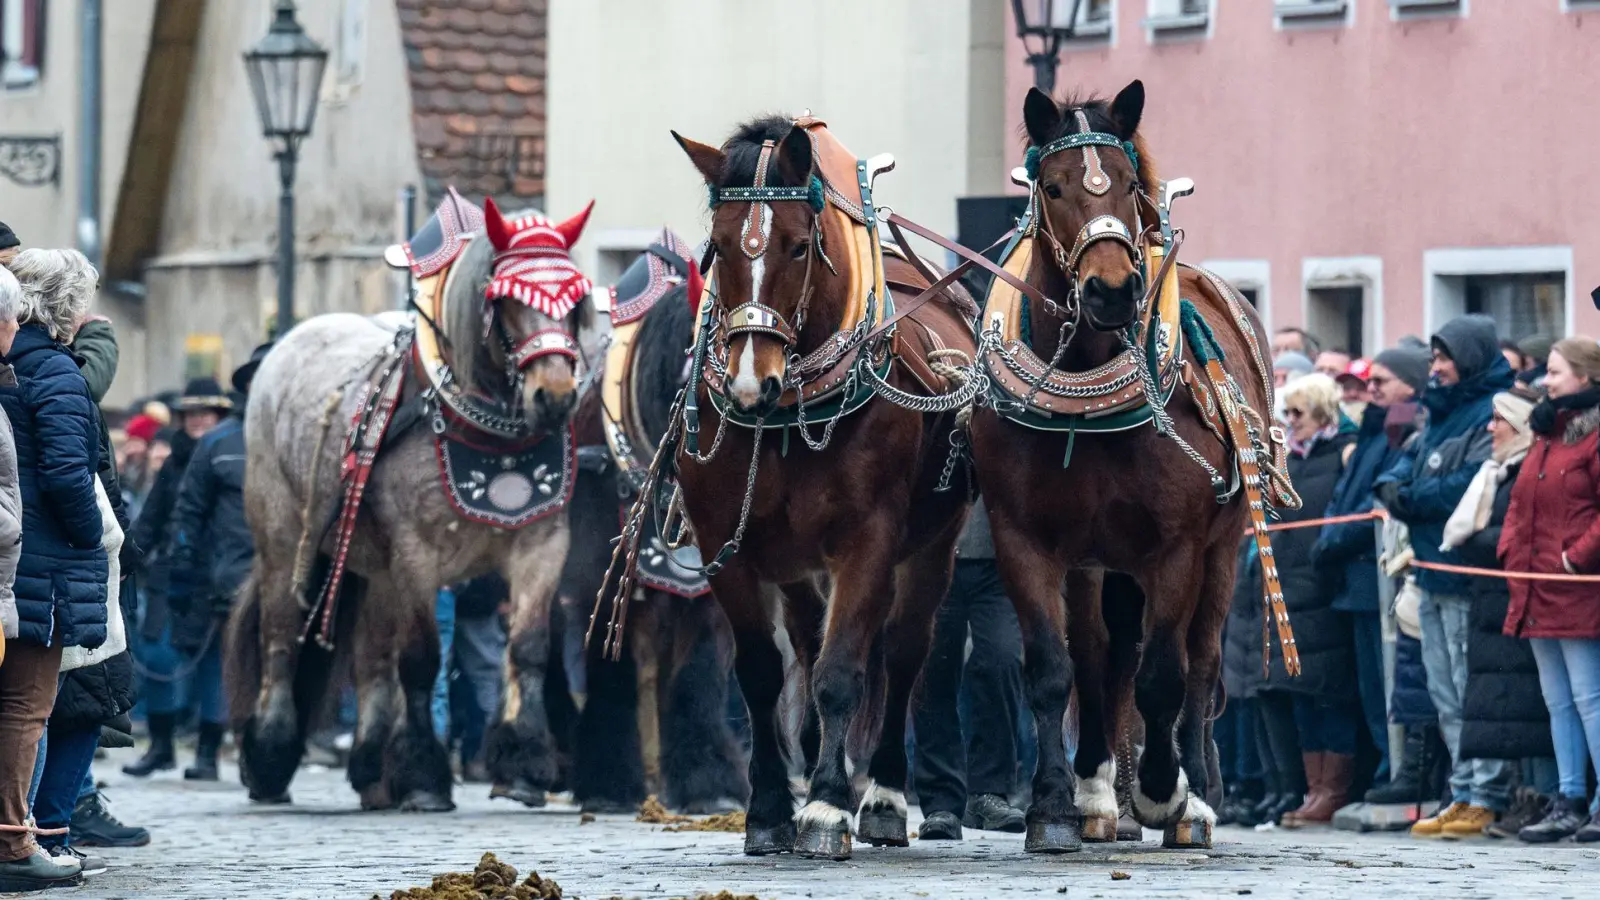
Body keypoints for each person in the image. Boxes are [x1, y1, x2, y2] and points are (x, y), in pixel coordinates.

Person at [1377, 314, 1517, 839]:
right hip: (1430, 572)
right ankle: (1463, 789)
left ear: (1469, 357)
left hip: (1465, 574)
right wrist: (1398, 490)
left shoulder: (1493, 407)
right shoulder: (1438, 411)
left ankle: (1487, 791)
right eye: (1432, 358)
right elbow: (1400, 466)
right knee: (1443, 692)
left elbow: (1470, 482)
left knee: (1468, 686)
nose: (1435, 368)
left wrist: (1410, 499)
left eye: (1443, 358)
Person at [0, 253, 105, 890]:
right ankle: (14, 842)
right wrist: (92, 539)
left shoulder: (18, 365)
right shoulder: (55, 371)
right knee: (27, 704)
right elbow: (69, 477)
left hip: (20, 556)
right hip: (43, 563)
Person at [1311, 347, 1427, 799]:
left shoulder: (1401, 430)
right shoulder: (1373, 430)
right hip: (1353, 582)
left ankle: (1394, 772)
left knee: (1386, 684)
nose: (1371, 388)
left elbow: (1375, 505)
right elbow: (1345, 495)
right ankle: (1380, 769)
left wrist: (1332, 541)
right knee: (1366, 687)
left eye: (1383, 380)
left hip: (1373, 578)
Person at [1440, 387, 1555, 839]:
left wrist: (1478, 543)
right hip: (1493, 599)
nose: (1491, 428)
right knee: (1511, 705)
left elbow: (1524, 532)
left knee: (1535, 705)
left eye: (1499, 419)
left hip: (1524, 597)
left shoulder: (1526, 468)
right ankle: (1526, 795)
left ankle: (1544, 795)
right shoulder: (1498, 471)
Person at [1502, 337, 1600, 843]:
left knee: (1590, 697)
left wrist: (1575, 558)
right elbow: (1521, 503)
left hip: (1576, 585)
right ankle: (1569, 796)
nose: (1547, 379)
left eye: (1557, 372)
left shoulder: (1593, 434)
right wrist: (1510, 552)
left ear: (1584, 376)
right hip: (1536, 583)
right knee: (1557, 700)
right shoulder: (1547, 432)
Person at [163, 343, 270, 780]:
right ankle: (239, 751)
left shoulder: (315, 441)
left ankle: (277, 748)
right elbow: (189, 508)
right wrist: (185, 563)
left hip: (301, 579)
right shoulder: (218, 444)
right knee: (237, 667)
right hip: (232, 577)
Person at [1261, 374, 1359, 827]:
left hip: (1325, 586)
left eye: (1299, 412)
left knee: (1329, 695)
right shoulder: (1289, 458)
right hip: (1289, 588)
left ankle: (1332, 790)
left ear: (1321, 411)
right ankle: (1312, 789)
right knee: (1301, 696)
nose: (1291, 421)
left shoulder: (1343, 452)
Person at [122, 378, 234, 777]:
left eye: (206, 413)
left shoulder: (230, 458)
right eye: (191, 414)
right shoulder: (173, 463)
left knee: (211, 664)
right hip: (168, 572)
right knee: (157, 654)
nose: (198, 420)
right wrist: (126, 557)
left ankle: (207, 755)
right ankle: (162, 745)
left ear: (220, 416)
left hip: (213, 575)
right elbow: (151, 518)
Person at [913, 502, 1026, 839]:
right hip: (933, 554)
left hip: (999, 561)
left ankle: (989, 792)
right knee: (934, 670)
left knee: (1002, 659)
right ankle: (940, 802)